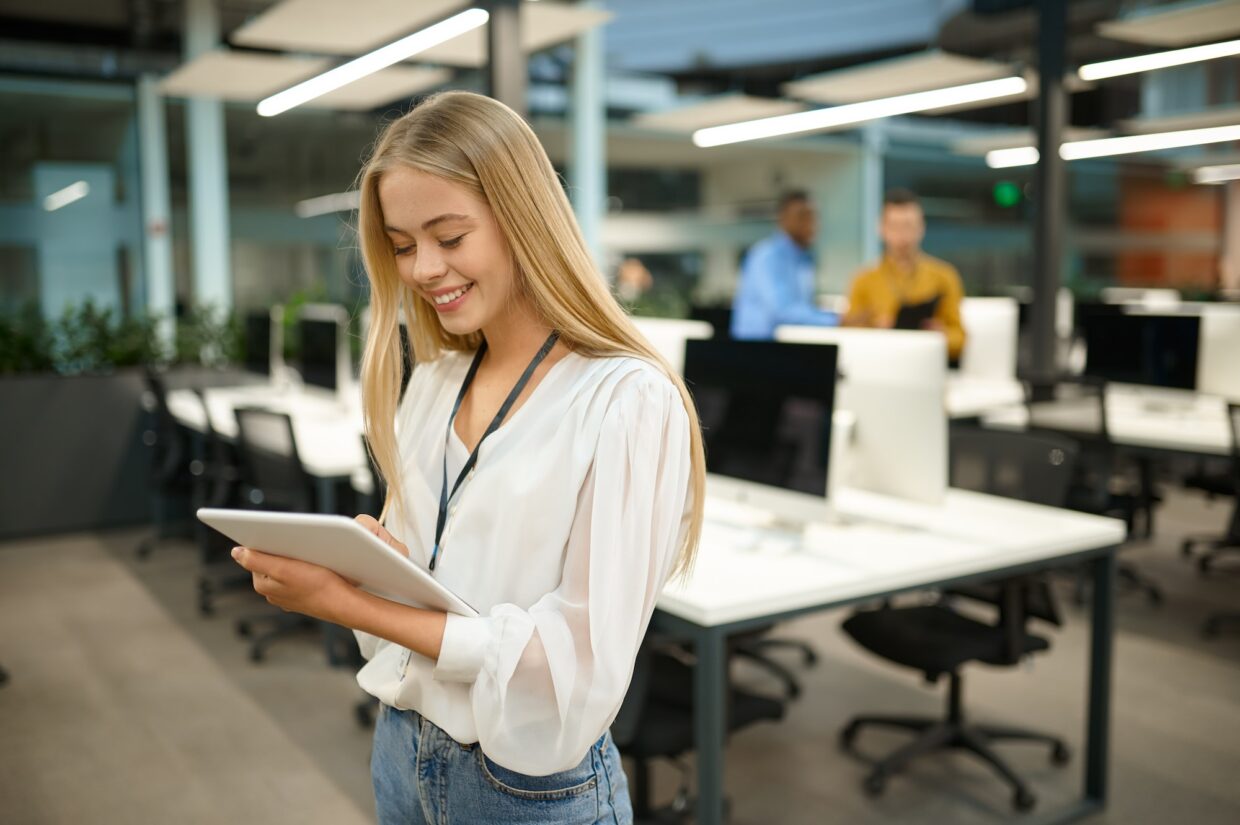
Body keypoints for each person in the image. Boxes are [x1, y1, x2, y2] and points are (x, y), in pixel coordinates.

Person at [229, 91, 706, 824]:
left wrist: (348, 603)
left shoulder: (625, 400)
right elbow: (438, 587)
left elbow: (573, 663)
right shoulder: (437, 380)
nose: (423, 268)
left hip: (529, 788)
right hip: (403, 746)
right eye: (401, 243)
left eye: (450, 237)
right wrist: (373, 561)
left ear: (523, 220)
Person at [845, 188, 966, 360]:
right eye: (895, 227)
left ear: (921, 227)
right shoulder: (864, 279)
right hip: (880, 362)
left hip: (927, 362)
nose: (902, 236)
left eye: (909, 226)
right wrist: (876, 330)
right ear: (881, 228)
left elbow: (960, 339)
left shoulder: (944, 276)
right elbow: (848, 335)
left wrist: (940, 335)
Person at [730, 190, 838, 339]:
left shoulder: (804, 259)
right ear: (783, 219)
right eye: (802, 216)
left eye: (813, 216)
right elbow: (782, 311)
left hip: (789, 345)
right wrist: (837, 320)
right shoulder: (765, 257)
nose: (810, 223)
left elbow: (803, 308)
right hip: (756, 350)